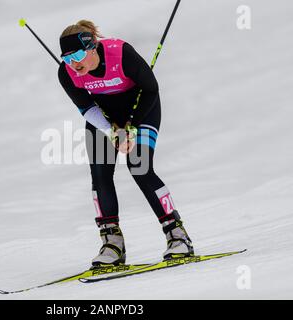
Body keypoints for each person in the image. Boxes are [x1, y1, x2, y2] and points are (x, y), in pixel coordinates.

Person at [58, 20, 194, 266]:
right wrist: (113, 130)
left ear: (92, 48)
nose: (73, 63)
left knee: (139, 166)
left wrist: (130, 127)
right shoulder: (66, 72)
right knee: (100, 173)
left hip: (141, 109)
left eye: (77, 55)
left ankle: (177, 235)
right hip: (104, 117)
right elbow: (86, 108)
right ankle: (112, 243)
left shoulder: (121, 54)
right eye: (67, 58)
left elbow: (151, 89)